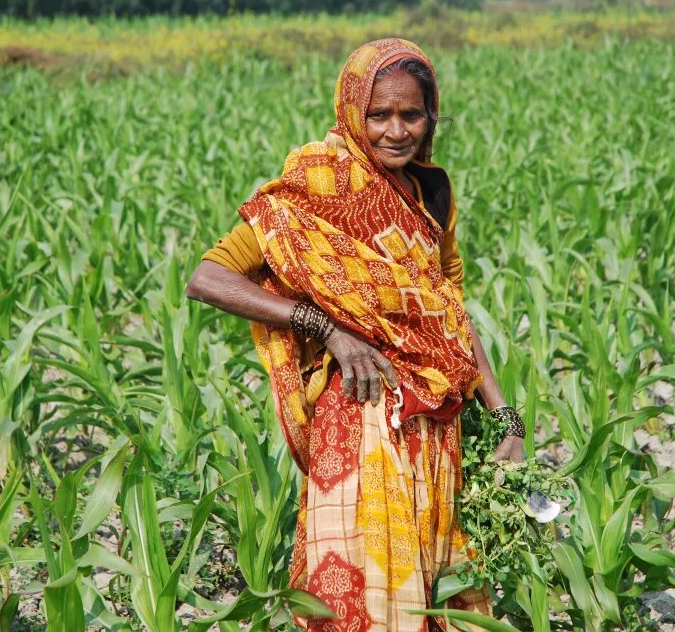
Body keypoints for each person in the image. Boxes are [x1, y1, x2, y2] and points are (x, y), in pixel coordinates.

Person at [186, 38, 526, 632]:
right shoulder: (319, 184)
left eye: (411, 115)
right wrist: (326, 327)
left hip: (435, 427)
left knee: (428, 592)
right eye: (379, 115)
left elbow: (449, 311)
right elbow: (207, 277)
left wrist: (505, 418)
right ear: (351, 111)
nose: (397, 131)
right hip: (361, 418)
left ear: (431, 116)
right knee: (359, 592)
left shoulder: (433, 195)